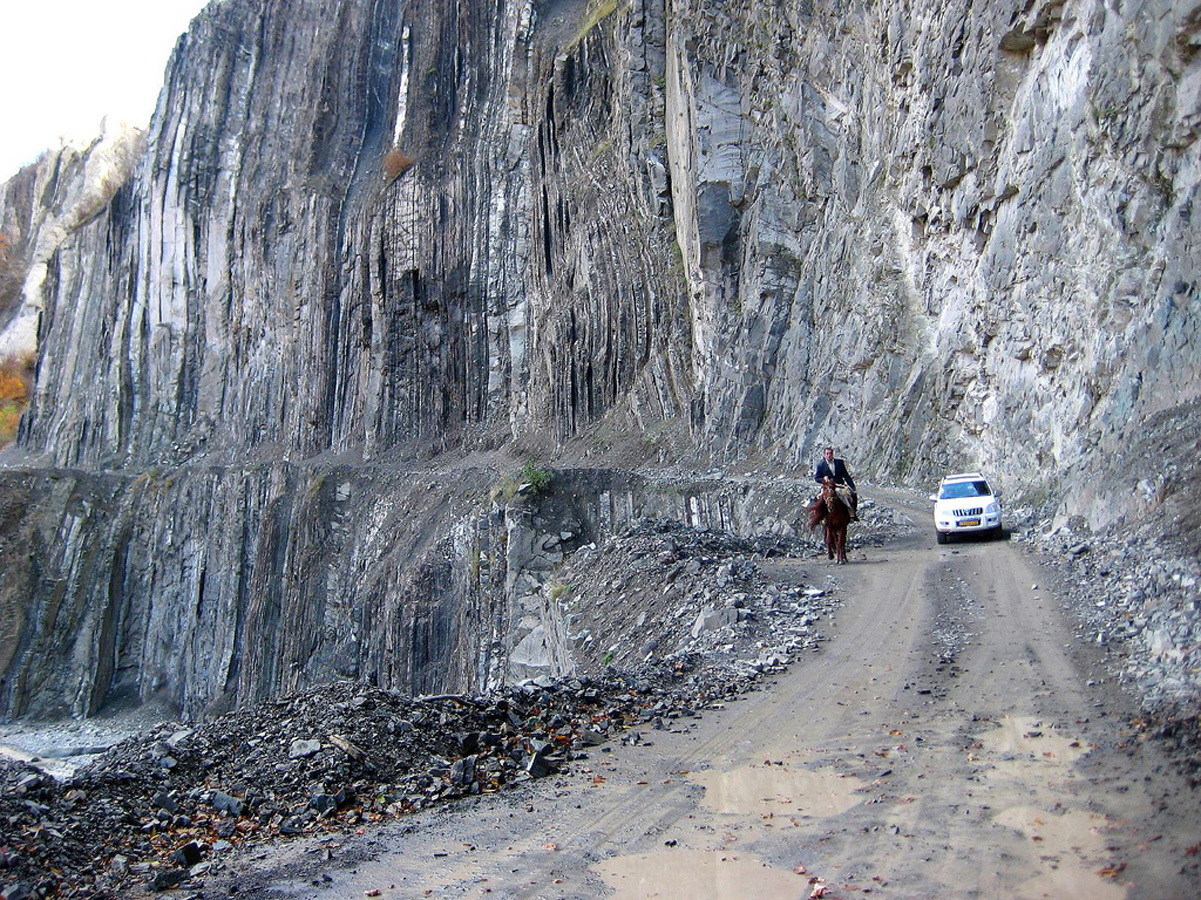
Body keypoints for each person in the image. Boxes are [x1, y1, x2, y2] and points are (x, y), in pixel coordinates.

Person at [814, 446, 858, 520]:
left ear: (833, 454)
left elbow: (846, 475)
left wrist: (852, 486)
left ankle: (852, 513)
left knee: (852, 495)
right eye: (827, 454)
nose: (829, 455)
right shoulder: (821, 465)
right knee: (818, 499)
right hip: (827, 486)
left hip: (839, 485)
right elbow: (816, 478)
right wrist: (823, 479)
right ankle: (818, 517)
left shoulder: (839, 463)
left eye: (830, 453)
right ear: (824, 455)